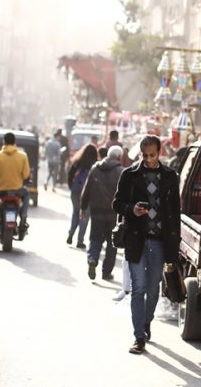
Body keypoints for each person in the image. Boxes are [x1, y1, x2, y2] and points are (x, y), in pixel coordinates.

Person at [112, 135, 180, 354]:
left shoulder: (170, 176)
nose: (148, 159)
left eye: (152, 155)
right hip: (136, 239)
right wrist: (131, 209)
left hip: (160, 242)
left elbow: (175, 212)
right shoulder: (129, 175)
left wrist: (174, 246)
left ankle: (146, 321)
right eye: (145, 155)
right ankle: (138, 336)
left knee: (152, 290)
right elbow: (117, 203)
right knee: (138, 288)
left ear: (159, 153)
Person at [80, 145, 125, 281]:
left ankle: (92, 259)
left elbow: (86, 189)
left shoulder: (95, 168)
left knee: (95, 238)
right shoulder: (121, 172)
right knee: (112, 243)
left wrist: (83, 208)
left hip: (96, 211)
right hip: (113, 214)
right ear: (119, 157)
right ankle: (106, 272)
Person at [0, 131, 31, 234]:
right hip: (17, 190)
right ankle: (23, 217)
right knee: (26, 194)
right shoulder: (23, 156)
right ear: (15, 142)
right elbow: (26, 175)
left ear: (4, 142)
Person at [67, 144, 98, 248]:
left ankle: (71, 234)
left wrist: (72, 188)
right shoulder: (95, 165)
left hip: (75, 192)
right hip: (87, 194)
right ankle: (80, 241)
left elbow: (70, 176)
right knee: (84, 216)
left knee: (75, 213)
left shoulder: (76, 162)